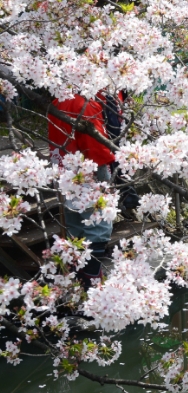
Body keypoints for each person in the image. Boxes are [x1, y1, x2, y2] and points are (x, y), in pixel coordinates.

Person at [48, 94, 116, 284]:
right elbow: (95, 147)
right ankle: (92, 279)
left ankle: (77, 278)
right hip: (86, 172)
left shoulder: (57, 100)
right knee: (98, 226)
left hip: (63, 168)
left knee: (75, 226)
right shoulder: (86, 104)